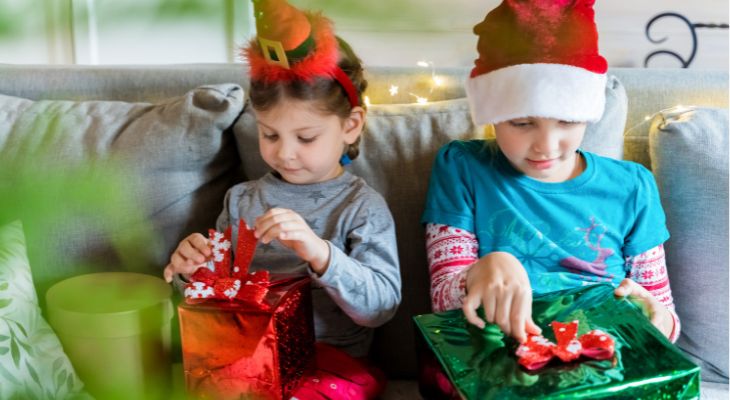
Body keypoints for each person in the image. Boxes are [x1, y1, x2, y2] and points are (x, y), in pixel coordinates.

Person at [164, 0, 401, 397]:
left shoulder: (361, 206)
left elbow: (381, 307)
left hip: (330, 363)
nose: (284, 153)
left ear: (351, 125)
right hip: (244, 358)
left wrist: (320, 253)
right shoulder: (241, 200)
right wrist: (192, 271)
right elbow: (215, 302)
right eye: (270, 134)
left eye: (305, 138)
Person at [422, 0, 679, 346]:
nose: (546, 145)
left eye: (567, 121)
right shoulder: (462, 168)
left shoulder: (632, 187)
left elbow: (665, 319)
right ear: (494, 114)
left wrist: (658, 320)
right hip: (505, 359)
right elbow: (442, 304)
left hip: (609, 357)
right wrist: (479, 272)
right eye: (522, 123)